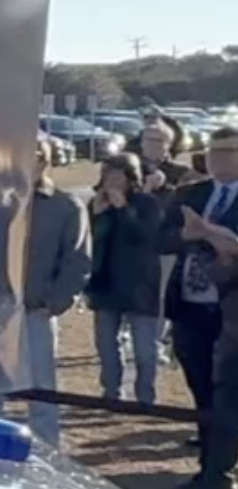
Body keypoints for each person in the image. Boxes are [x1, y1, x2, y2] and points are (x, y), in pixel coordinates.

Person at [170, 127, 238, 489]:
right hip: (190, 306)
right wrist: (191, 236)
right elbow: (161, 237)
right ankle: (209, 469)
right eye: (213, 150)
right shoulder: (190, 193)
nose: (217, 157)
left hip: (230, 311)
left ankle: (218, 476)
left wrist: (218, 241)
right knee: (204, 393)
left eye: (227, 151)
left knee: (229, 394)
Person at [17, 141, 91, 450]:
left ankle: (46, 449)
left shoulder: (66, 206)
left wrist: (55, 303)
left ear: (45, 162)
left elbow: (77, 259)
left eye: (33, 157)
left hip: (37, 310)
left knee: (42, 385)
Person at [86, 155, 169, 406]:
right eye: (107, 174)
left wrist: (123, 209)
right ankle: (111, 392)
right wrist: (95, 216)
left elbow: (147, 236)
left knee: (145, 349)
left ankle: (146, 396)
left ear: (131, 177)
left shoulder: (148, 204)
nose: (111, 180)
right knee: (106, 345)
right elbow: (87, 241)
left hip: (139, 284)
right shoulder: (97, 203)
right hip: (105, 284)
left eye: (117, 174)